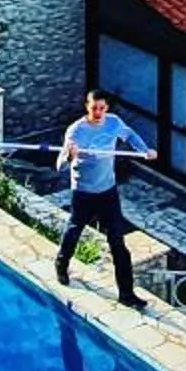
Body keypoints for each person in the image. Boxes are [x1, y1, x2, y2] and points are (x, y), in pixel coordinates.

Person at [56, 90, 149, 306]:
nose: (98, 112)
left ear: (106, 108)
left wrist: (144, 149)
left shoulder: (113, 123)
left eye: (102, 108)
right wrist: (70, 155)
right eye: (93, 108)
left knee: (118, 242)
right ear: (86, 107)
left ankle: (126, 294)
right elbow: (59, 166)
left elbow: (130, 135)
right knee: (74, 231)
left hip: (108, 192)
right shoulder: (75, 132)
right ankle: (61, 264)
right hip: (83, 193)